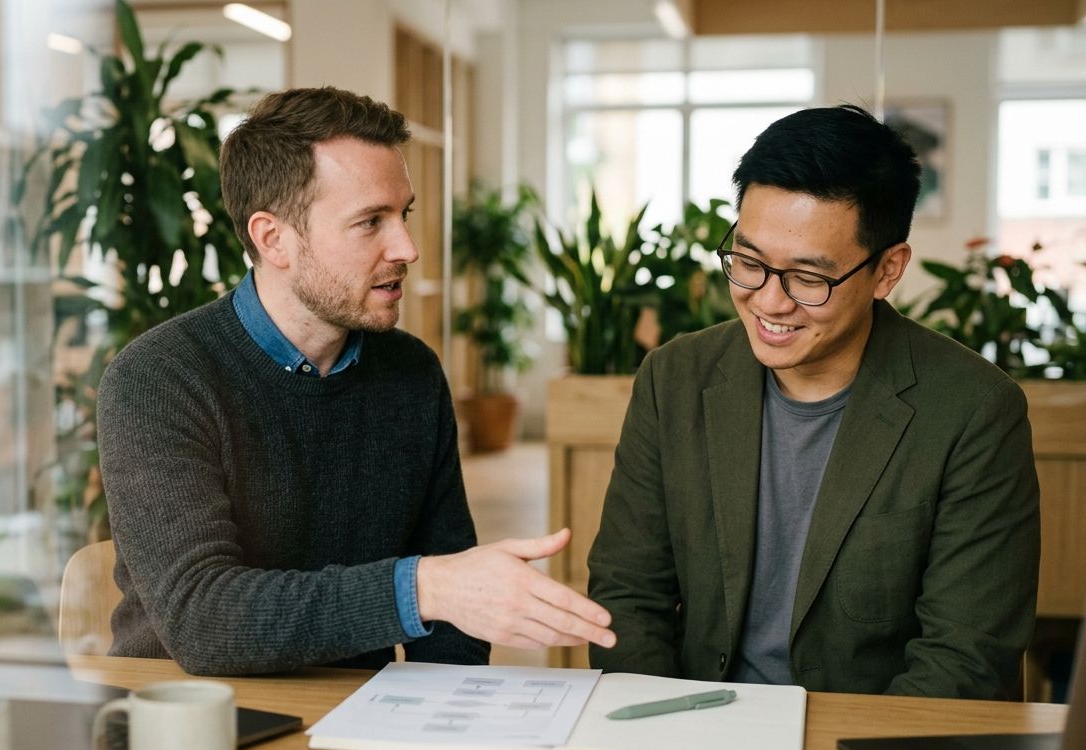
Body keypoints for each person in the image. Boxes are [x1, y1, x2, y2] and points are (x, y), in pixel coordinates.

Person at [97, 86, 615, 675]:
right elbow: (203, 619)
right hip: (192, 720)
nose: (408, 248)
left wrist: (450, 725)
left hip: (358, 710)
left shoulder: (411, 373)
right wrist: (421, 589)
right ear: (273, 239)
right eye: (370, 221)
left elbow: (453, 615)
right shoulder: (159, 379)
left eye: (404, 214)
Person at [587, 105, 1040, 699]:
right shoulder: (675, 379)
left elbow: (965, 657)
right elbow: (627, 594)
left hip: (867, 742)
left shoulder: (974, 410)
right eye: (748, 262)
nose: (769, 303)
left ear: (887, 271)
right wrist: (667, 736)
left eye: (808, 278)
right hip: (693, 732)